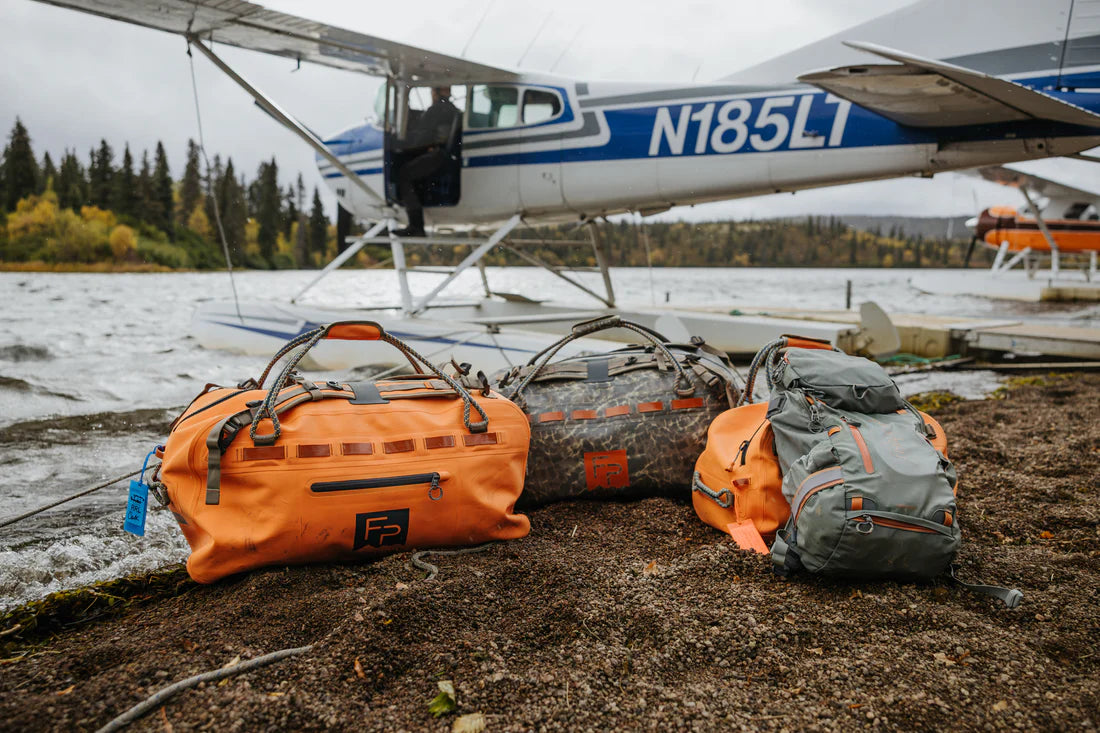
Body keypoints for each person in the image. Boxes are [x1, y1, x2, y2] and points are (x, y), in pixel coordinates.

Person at [393, 86, 460, 237]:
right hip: (446, 155)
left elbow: (422, 139)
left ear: (435, 93)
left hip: (437, 155)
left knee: (403, 174)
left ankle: (416, 225)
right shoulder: (453, 110)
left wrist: (402, 144)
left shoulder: (435, 111)